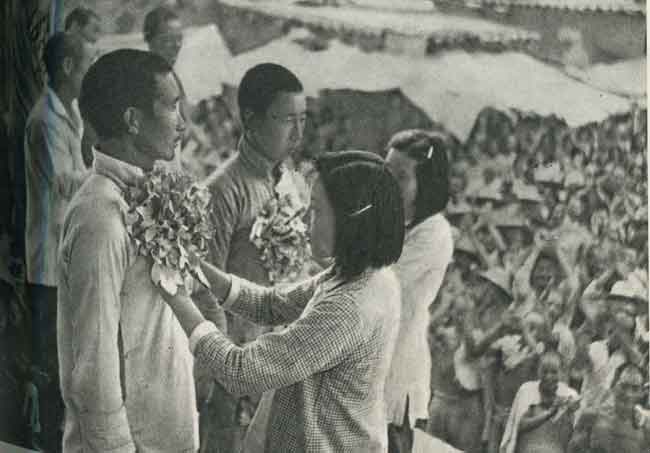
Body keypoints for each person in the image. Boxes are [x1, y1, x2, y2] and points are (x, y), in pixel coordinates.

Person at [158, 150, 405, 452]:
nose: (305, 221)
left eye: (316, 211)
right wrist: (194, 266)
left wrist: (175, 295)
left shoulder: (350, 307)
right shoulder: (364, 274)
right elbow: (272, 305)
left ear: (350, 221)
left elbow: (241, 372)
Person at [57, 49, 203, 452]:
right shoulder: (99, 215)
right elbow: (93, 365)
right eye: (171, 106)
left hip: (165, 431)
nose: (182, 123)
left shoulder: (146, 191)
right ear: (133, 120)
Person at [199, 62, 307, 452]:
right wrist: (225, 368)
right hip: (236, 358)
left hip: (282, 354)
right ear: (251, 119)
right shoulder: (222, 190)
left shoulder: (293, 182)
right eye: (287, 120)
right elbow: (204, 287)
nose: (298, 133)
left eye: (303, 119)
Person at [23, 32, 95, 452]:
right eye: (88, 63)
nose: (91, 71)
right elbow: (66, 183)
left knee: (64, 355)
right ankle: (44, 440)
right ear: (68, 67)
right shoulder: (45, 120)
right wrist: (109, 169)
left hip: (63, 254)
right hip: (47, 260)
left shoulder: (69, 111)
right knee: (50, 361)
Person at [382, 130, 454, 452]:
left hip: (398, 364)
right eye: (387, 172)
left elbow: (381, 282)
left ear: (425, 183)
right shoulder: (389, 219)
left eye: (401, 177)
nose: (388, 183)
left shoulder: (434, 231)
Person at [500, 350, 580, 453]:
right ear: (538, 372)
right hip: (529, 447)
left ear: (561, 373)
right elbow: (519, 426)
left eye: (554, 372)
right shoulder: (527, 389)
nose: (548, 377)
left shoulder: (569, 394)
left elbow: (574, 433)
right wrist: (549, 413)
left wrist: (571, 412)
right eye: (544, 372)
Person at [569, 363, 650, 453]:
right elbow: (573, 450)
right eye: (623, 386)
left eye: (635, 389)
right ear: (614, 386)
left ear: (642, 393)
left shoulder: (645, 429)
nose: (628, 394)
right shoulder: (591, 416)